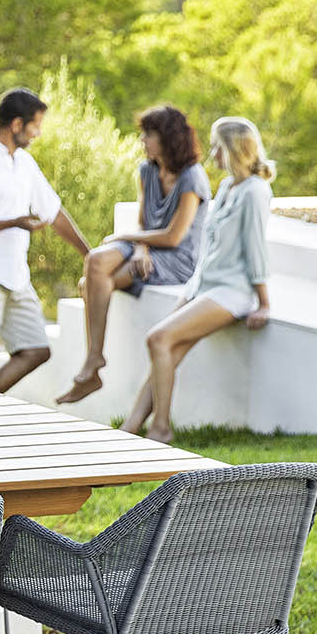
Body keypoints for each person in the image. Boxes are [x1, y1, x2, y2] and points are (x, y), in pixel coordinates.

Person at [123, 116, 276, 443]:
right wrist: (193, 288)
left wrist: (263, 303)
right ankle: (130, 429)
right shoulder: (226, 186)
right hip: (202, 285)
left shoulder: (255, 192)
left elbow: (256, 248)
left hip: (231, 291)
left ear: (232, 148)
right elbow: (211, 248)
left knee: (158, 339)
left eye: (217, 146)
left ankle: (161, 428)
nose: (212, 153)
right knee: (168, 351)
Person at [57, 105, 211, 404]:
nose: (143, 141)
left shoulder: (193, 177)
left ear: (167, 138)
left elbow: (173, 236)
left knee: (91, 283)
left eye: (148, 135)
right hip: (147, 247)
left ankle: (91, 370)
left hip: (177, 259)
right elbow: (144, 223)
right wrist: (139, 246)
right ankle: (94, 360)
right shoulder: (146, 170)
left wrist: (124, 237)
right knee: (96, 260)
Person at [0, 87, 92, 392]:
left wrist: (89, 254)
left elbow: (54, 212)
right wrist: (13, 222)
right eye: (35, 125)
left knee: (36, 349)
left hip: (15, 276)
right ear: (16, 124)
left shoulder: (24, 163)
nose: (37, 133)